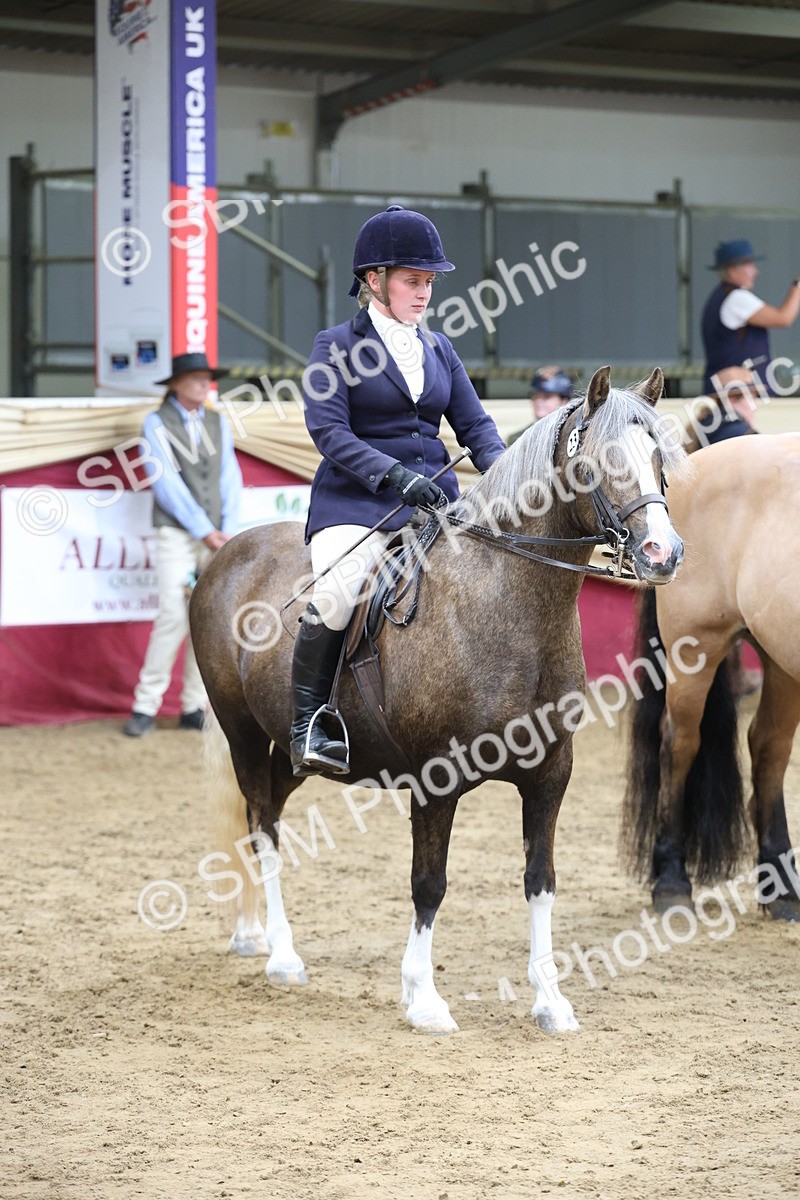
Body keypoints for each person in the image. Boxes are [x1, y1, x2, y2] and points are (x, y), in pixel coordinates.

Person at [292, 204, 506, 778]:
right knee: (338, 591)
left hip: (437, 501)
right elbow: (329, 431)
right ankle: (309, 722)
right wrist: (394, 476)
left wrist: (510, 473)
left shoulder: (438, 348)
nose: (424, 292)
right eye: (414, 280)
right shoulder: (334, 345)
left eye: (430, 282)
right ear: (374, 280)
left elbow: (476, 428)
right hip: (358, 502)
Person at [123, 352, 243, 737]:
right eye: (193, 378)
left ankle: (193, 704)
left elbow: (229, 477)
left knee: (205, 617)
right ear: (175, 384)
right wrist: (205, 529)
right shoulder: (156, 423)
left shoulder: (216, 422)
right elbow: (167, 486)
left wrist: (225, 528)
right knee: (174, 614)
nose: (201, 384)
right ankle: (146, 704)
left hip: (214, 533)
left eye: (205, 377)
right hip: (176, 532)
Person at [701, 239, 800, 395]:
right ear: (733, 270)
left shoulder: (719, 298)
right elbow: (784, 318)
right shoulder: (737, 298)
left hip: (730, 392)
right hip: (738, 395)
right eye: (750, 265)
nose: (755, 272)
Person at [508, 366, 574, 444]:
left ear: (564, 401)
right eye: (535, 396)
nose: (539, 401)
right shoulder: (518, 439)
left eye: (547, 397)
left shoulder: (573, 436)